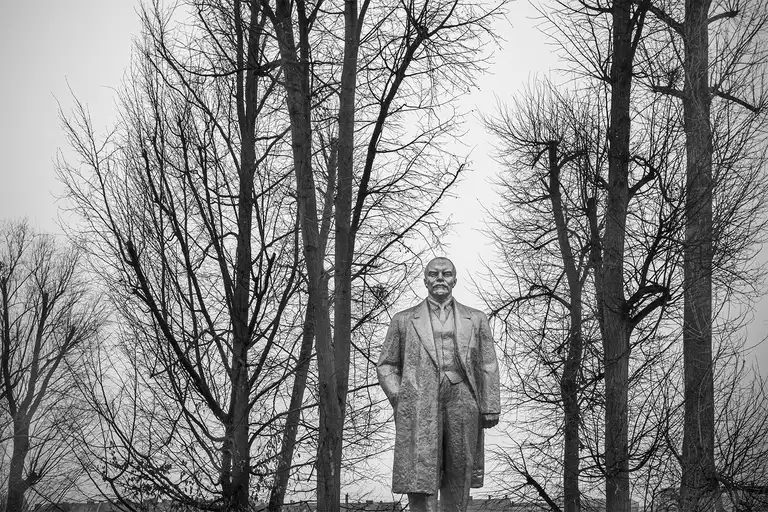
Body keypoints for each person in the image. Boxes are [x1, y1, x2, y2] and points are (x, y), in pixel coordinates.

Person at [377, 257, 500, 512]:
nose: (440, 278)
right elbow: (386, 365)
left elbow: (488, 364)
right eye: (434, 274)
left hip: (462, 399)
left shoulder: (476, 319)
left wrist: (490, 406)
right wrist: (402, 397)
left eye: (446, 273)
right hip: (420, 402)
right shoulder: (403, 320)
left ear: (455, 279)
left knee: (460, 467)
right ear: (425, 280)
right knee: (421, 469)